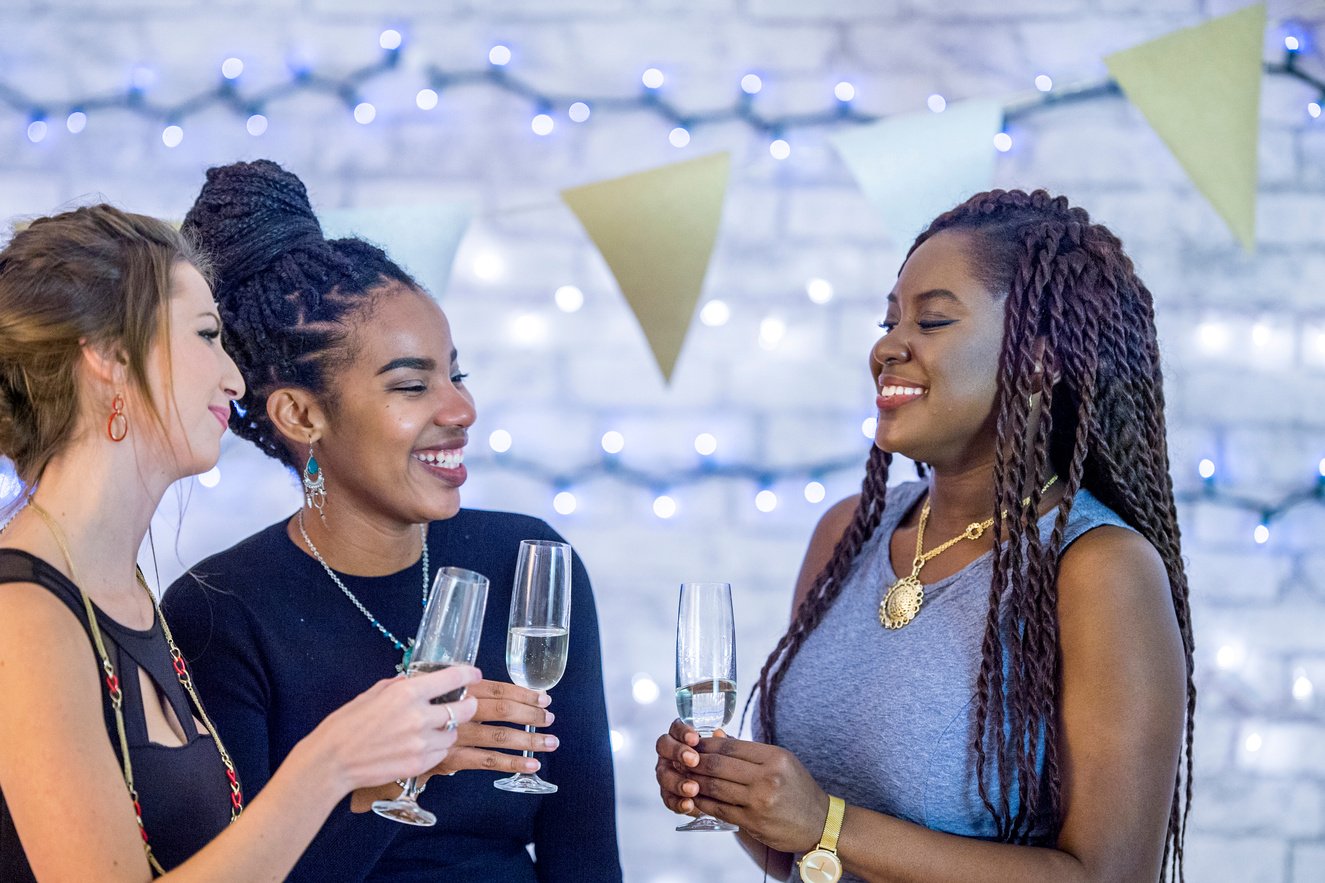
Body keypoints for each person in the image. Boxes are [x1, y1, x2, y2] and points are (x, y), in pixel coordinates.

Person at [655, 189, 1194, 882]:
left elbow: (1108, 876)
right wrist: (738, 798)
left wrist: (828, 821)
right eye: (889, 318)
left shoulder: (1097, 569)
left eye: (931, 319)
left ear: (1038, 357)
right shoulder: (847, 532)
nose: (887, 344)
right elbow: (804, 852)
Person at [160, 160, 622, 882]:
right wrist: (393, 776)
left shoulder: (526, 560)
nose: (460, 410)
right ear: (301, 414)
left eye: (455, 375)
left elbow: (585, 855)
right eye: (413, 384)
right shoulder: (219, 612)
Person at [0, 205, 478, 881]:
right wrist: (331, 760)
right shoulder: (22, 611)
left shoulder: (124, 589)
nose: (233, 378)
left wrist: (373, 778)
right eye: (204, 335)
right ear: (107, 356)